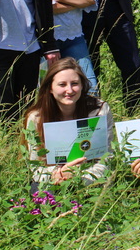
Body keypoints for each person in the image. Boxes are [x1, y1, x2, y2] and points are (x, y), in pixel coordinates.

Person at [22, 57, 114, 189]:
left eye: (75, 83)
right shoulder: (36, 117)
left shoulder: (99, 111)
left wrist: (79, 178)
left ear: (82, 86)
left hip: (91, 182)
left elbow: (106, 159)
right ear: (50, 88)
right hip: (52, 182)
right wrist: (58, 175)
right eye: (62, 84)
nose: (69, 90)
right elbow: (36, 167)